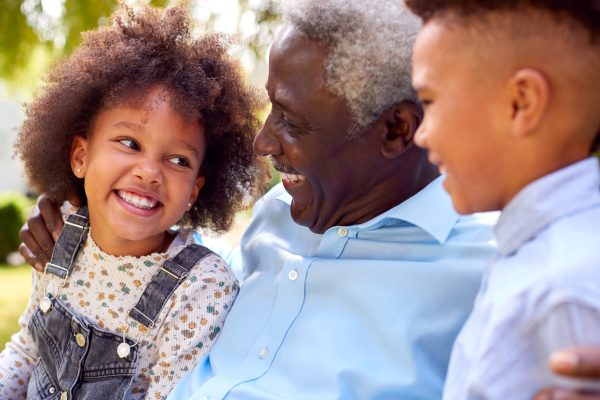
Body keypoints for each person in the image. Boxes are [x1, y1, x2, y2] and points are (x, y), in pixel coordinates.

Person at [16, 1, 598, 399]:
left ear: (397, 131)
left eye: (292, 121)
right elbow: (170, 286)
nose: (262, 142)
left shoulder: (490, 267)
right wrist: (84, 241)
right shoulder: (278, 218)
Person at [1, 4, 263, 399]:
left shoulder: (200, 289)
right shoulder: (61, 233)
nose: (150, 171)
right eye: (130, 143)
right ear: (80, 156)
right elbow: (29, 348)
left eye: (178, 160)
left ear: (194, 191)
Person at [406, 0, 600, 398]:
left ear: (520, 103)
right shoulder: (533, 256)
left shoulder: (563, 288)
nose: (420, 135)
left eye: (429, 102)